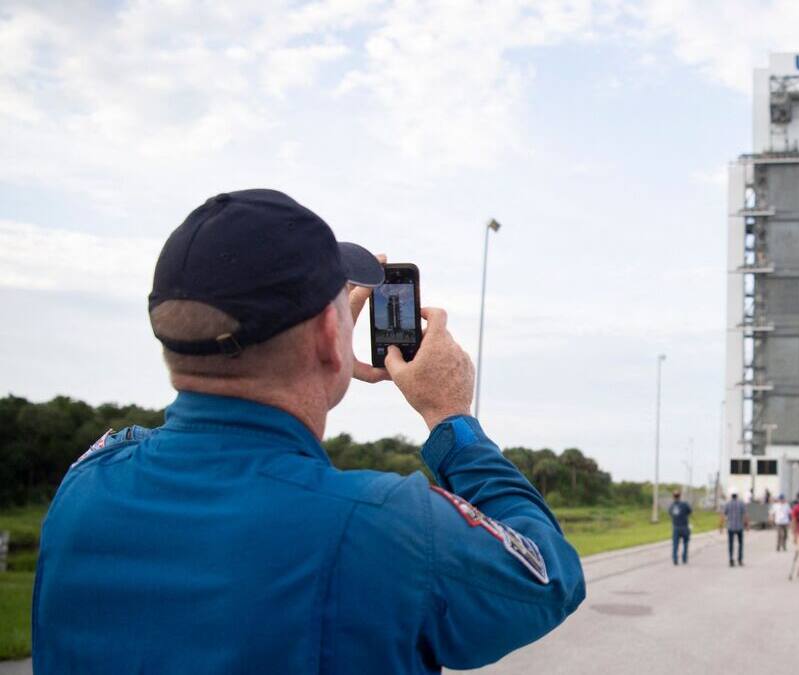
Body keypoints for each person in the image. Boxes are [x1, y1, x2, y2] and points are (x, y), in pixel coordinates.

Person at [33, 189, 586, 673]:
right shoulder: (385, 525)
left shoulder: (89, 481)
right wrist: (450, 416)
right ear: (329, 334)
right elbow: (548, 575)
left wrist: (312, 365)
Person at [720, 492, 750, 567]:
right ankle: (740, 560)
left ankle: (731, 560)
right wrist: (747, 525)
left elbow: (723, 515)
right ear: (737, 496)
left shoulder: (727, 504)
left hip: (730, 527)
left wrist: (721, 526)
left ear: (731, 496)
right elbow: (745, 515)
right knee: (740, 544)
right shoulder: (741, 503)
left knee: (731, 544)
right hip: (739, 527)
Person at [668, 491, 693, 565]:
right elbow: (690, 511)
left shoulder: (672, 506)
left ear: (673, 496)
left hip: (676, 527)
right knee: (685, 543)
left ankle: (675, 559)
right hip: (684, 527)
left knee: (675, 544)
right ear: (680, 496)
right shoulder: (684, 504)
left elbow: (670, 514)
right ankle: (684, 558)